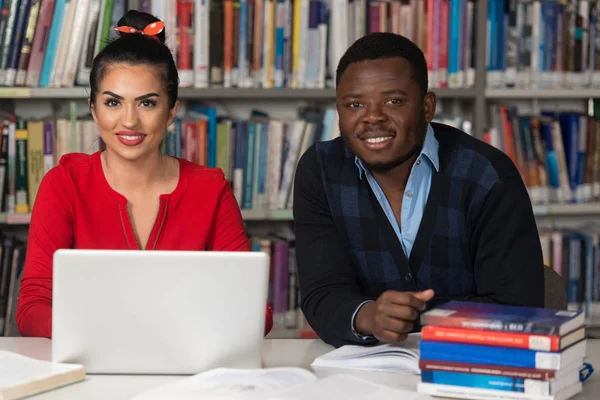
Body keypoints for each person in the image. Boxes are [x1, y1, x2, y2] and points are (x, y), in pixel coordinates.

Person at [16, 11, 273, 337]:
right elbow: (33, 306)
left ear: (171, 112)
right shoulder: (64, 183)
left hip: (185, 372)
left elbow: (255, 311)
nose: (129, 121)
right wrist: (107, 335)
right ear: (93, 109)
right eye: (113, 103)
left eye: (147, 104)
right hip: (90, 369)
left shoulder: (211, 189)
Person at [293, 32, 544, 348]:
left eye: (393, 101)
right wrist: (369, 317)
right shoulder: (320, 170)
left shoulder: (487, 174)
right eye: (355, 104)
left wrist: (415, 318)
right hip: (365, 377)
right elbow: (321, 294)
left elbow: (518, 306)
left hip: (469, 368)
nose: (372, 117)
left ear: (427, 107)